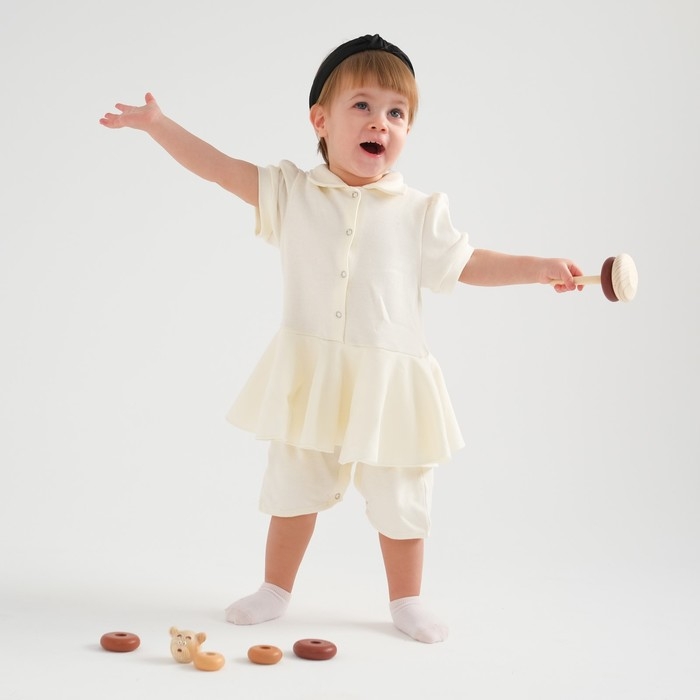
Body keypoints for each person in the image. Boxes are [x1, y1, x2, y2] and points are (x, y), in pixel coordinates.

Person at [100, 33, 582, 644]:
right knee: (293, 485)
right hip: (312, 374)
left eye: (396, 112)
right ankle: (275, 588)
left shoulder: (418, 212)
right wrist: (159, 125)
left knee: (401, 493)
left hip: (390, 382)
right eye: (363, 106)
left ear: (407, 130)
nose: (381, 122)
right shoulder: (291, 193)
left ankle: (407, 599)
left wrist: (537, 268)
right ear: (321, 121)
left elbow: (469, 263)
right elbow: (220, 170)